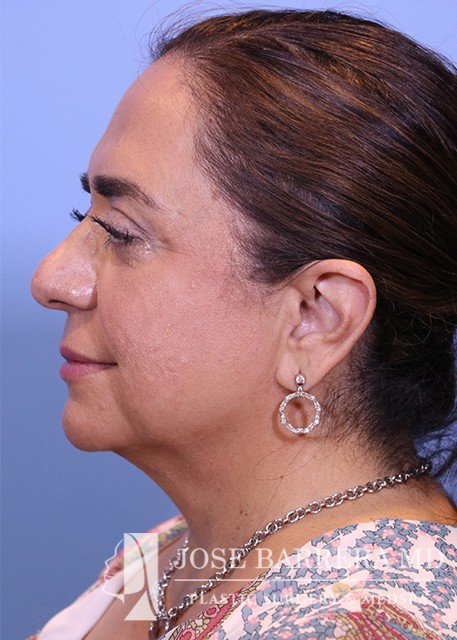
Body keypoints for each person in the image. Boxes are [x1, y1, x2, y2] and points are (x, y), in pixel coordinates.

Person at [29, 8, 457, 640]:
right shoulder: (177, 556)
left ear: (316, 317)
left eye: (120, 232)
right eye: (82, 215)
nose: (52, 279)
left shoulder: (365, 624)